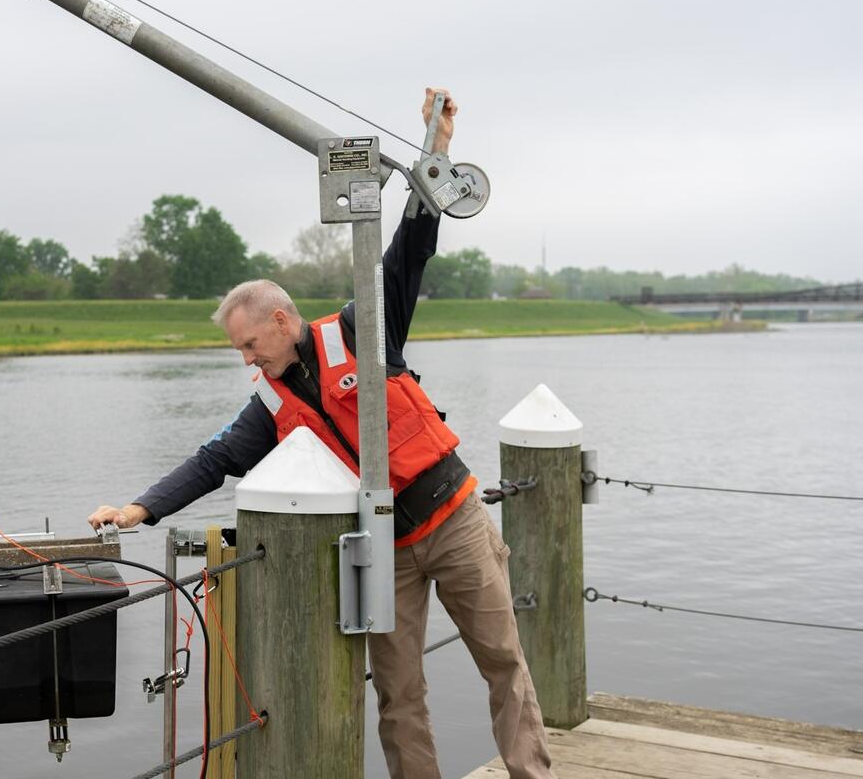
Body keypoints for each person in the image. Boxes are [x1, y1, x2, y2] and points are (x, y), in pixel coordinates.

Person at [87, 88, 555, 779]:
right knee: (399, 694)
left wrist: (436, 151)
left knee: (504, 662)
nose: (247, 359)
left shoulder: (365, 324)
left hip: (454, 520)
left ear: (281, 321)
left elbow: (411, 249)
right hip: (388, 545)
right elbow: (215, 460)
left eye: (249, 344)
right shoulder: (270, 403)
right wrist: (139, 507)